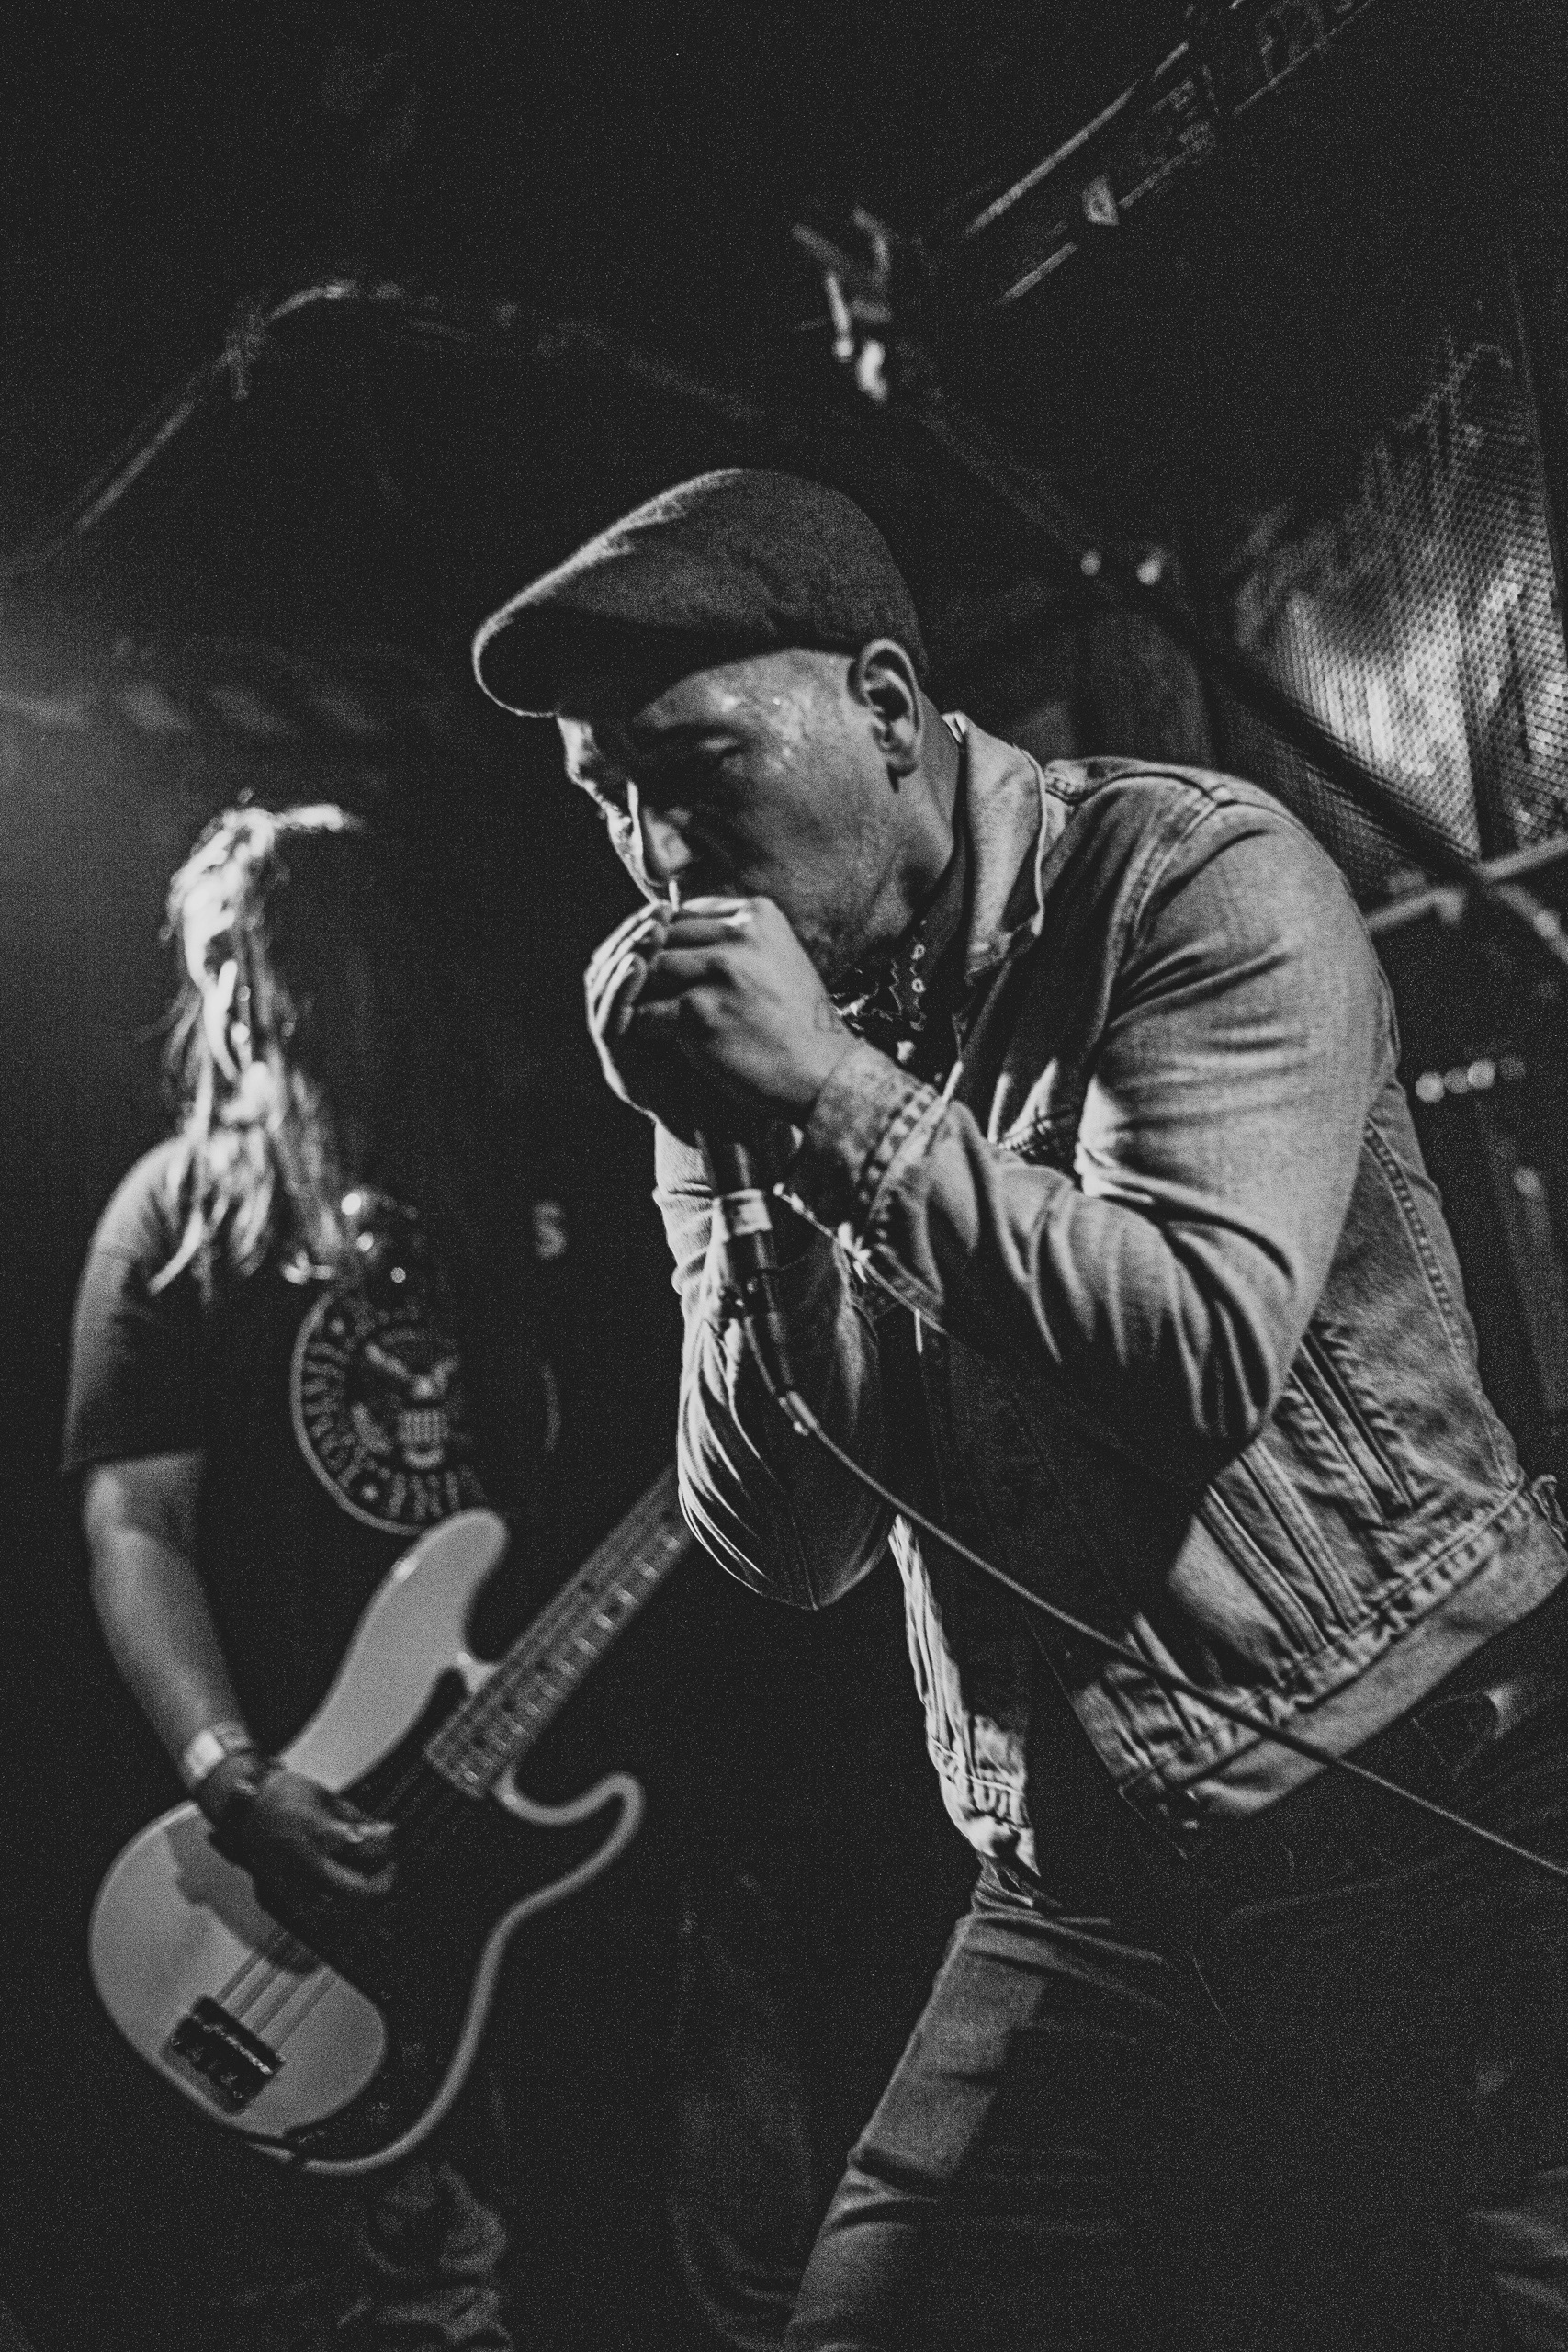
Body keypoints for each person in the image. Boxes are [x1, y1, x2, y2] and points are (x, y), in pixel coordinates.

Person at [473, 469, 1568, 2351]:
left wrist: (823, 1102)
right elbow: (785, 1544)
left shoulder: (1185, 876)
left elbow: (1198, 1346)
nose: (658, 851)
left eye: (695, 764)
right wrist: (739, 1158)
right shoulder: (754, 1050)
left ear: (887, 709)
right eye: (607, 798)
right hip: (1079, 1875)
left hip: (1410, 1782)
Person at [63, 805, 546, 2352]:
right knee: (330, 2277)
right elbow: (136, 1525)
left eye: (275, 952)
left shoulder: (486, 1199)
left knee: (524, 2242)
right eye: (215, 958)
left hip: (511, 1818)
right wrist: (229, 1772)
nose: (243, 996)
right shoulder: (171, 1213)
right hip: (296, 1839)